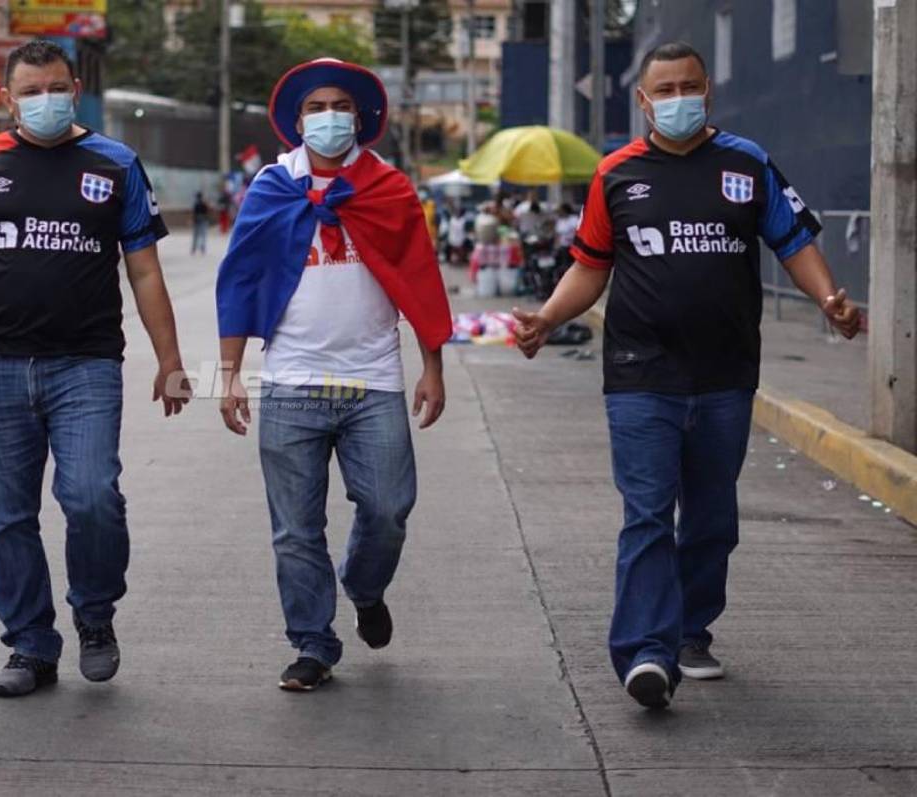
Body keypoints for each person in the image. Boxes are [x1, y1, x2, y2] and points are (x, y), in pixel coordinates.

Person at [512, 42, 861, 710]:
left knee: (710, 516)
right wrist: (548, 318)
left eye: (689, 86)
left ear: (708, 92)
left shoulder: (747, 163)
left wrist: (829, 299)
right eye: (664, 89)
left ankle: (691, 630)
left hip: (726, 374)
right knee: (646, 512)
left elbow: (793, 241)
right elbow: (590, 265)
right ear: (643, 101)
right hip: (641, 374)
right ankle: (647, 651)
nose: (678, 99)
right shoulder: (616, 174)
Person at [0, 39, 192, 698]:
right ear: (7, 99)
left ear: (76, 90)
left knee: (91, 496)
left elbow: (143, 269)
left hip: (85, 365)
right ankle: (30, 644)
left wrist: (170, 360)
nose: (44, 101)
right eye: (30, 91)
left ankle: (95, 615)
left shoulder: (116, 164)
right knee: (5, 518)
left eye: (56, 87)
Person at [215, 58, 452, 692]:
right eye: (315, 108)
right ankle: (313, 644)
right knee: (295, 531)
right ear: (297, 122)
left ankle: (365, 585)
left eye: (338, 106)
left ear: (359, 117)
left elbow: (421, 279)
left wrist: (432, 366)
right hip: (290, 383)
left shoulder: (390, 188)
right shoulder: (270, 187)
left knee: (389, 508)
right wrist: (229, 374)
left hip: (373, 383)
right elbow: (239, 280)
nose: (327, 118)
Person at [191, 191, 211, 255]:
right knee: (203, 235)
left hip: (197, 220)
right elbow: (207, 212)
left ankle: (194, 248)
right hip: (204, 220)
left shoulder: (196, 204)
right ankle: (202, 248)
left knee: (196, 235)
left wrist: (193, 220)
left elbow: (194, 213)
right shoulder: (204, 204)